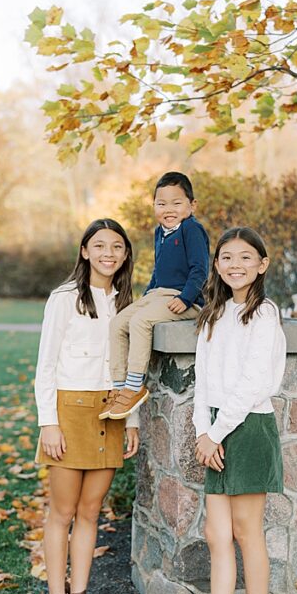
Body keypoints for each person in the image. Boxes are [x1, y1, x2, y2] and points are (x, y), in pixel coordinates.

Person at [167, 227, 287, 594]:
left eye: (245, 257)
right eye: (227, 258)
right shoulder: (213, 314)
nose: (235, 265)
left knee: (246, 530)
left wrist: (216, 432)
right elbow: (204, 380)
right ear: (216, 265)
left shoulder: (264, 314)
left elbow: (254, 382)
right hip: (215, 429)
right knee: (217, 534)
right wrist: (204, 431)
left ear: (262, 264)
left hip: (248, 426)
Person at [34, 218, 141, 594]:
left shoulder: (127, 303)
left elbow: (131, 368)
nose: (107, 254)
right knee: (62, 512)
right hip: (69, 411)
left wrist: (131, 419)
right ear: (84, 251)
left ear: (126, 254)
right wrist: (49, 422)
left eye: (116, 246)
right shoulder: (64, 299)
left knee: (91, 512)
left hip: (111, 413)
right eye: (99, 245)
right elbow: (45, 365)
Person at [101, 172, 209, 420]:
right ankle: (119, 388)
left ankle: (134, 387)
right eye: (161, 204)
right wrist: (148, 293)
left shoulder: (191, 229)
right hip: (158, 295)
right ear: (154, 206)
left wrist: (186, 298)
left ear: (192, 205)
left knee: (141, 321)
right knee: (118, 323)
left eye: (176, 203)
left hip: (184, 299)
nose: (168, 209)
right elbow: (159, 270)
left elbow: (200, 269)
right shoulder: (160, 232)